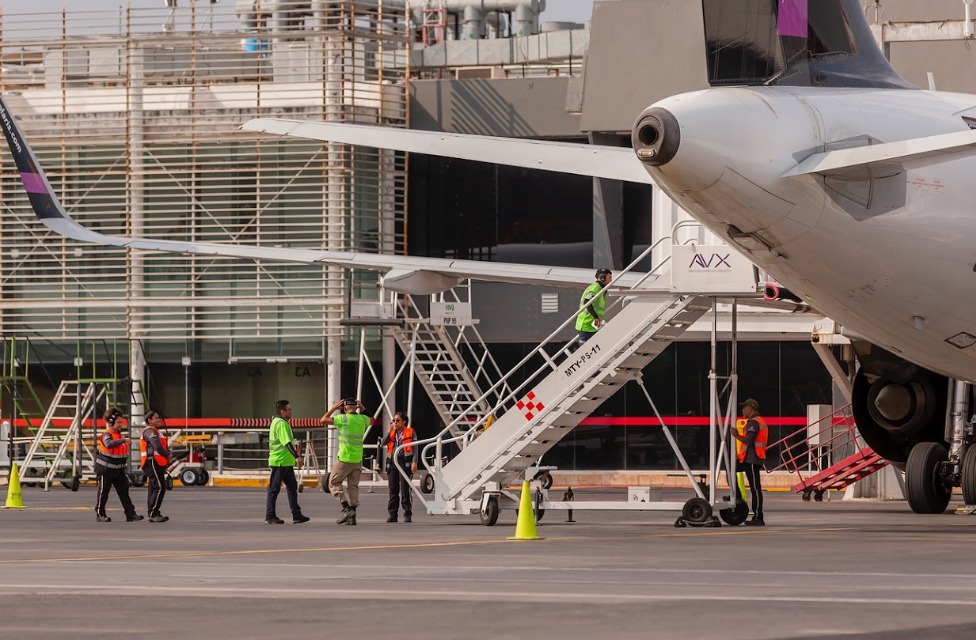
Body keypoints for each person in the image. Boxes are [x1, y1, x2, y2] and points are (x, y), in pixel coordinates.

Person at [321, 397, 370, 526]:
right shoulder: (362, 419)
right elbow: (371, 420)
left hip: (345, 458)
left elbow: (323, 420)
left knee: (333, 482)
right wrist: (363, 408)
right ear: (356, 406)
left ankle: (346, 508)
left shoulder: (343, 419)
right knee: (353, 486)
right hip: (357, 458)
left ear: (345, 407)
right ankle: (352, 517)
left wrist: (333, 408)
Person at [94, 406, 144, 523]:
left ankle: (130, 514)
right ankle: (100, 514)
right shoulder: (107, 434)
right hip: (106, 470)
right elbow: (109, 444)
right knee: (103, 493)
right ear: (111, 422)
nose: (121, 424)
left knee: (124, 492)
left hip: (118, 470)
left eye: (122, 422)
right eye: (118, 422)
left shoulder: (118, 435)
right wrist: (124, 441)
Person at [265, 400, 311, 525]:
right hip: (279, 461)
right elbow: (286, 443)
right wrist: (297, 457)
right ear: (282, 411)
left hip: (285, 462)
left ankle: (296, 514)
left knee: (292, 487)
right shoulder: (281, 424)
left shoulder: (281, 422)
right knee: (274, 489)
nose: (291, 411)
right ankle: (270, 515)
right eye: (289, 409)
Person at [730, 398, 768, 526]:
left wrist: (736, 435)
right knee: (730, 469)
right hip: (748, 458)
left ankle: (758, 516)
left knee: (755, 488)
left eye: (744, 407)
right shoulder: (755, 422)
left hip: (753, 459)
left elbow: (749, 441)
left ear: (750, 409)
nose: (742, 410)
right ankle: (737, 497)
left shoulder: (754, 423)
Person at [382, 410, 417, 523]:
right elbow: (383, 443)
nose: (395, 423)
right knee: (393, 490)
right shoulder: (392, 432)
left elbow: (415, 448)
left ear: (404, 422)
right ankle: (393, 514)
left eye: (397, 421)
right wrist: (389, 430)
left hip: (404, 463)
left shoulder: (410, 432)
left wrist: (414, 462)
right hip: (392, 463)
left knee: (405, 489)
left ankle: (407, 513)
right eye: (393, 421)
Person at [140, 410, 172, 523]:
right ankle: (154, 513)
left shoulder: (157, 432)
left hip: (157, 462)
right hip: (152, 461)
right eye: (156, 418)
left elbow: (162, 446)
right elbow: (157, 446)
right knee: (160, 487)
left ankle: (152, 512)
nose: (159, 420)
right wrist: (167, 454)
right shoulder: (150, 431)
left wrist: (167, 453)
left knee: (153, 488)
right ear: (150, 420)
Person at [574, 267, 612, 346]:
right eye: (610, 277)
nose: (611, 280)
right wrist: (595, 317)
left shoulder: (600, 289)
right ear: (602, 278)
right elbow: (587, 301)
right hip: (586, 325)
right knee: (585, 350)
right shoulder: (595, 287)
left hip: (592, 326)